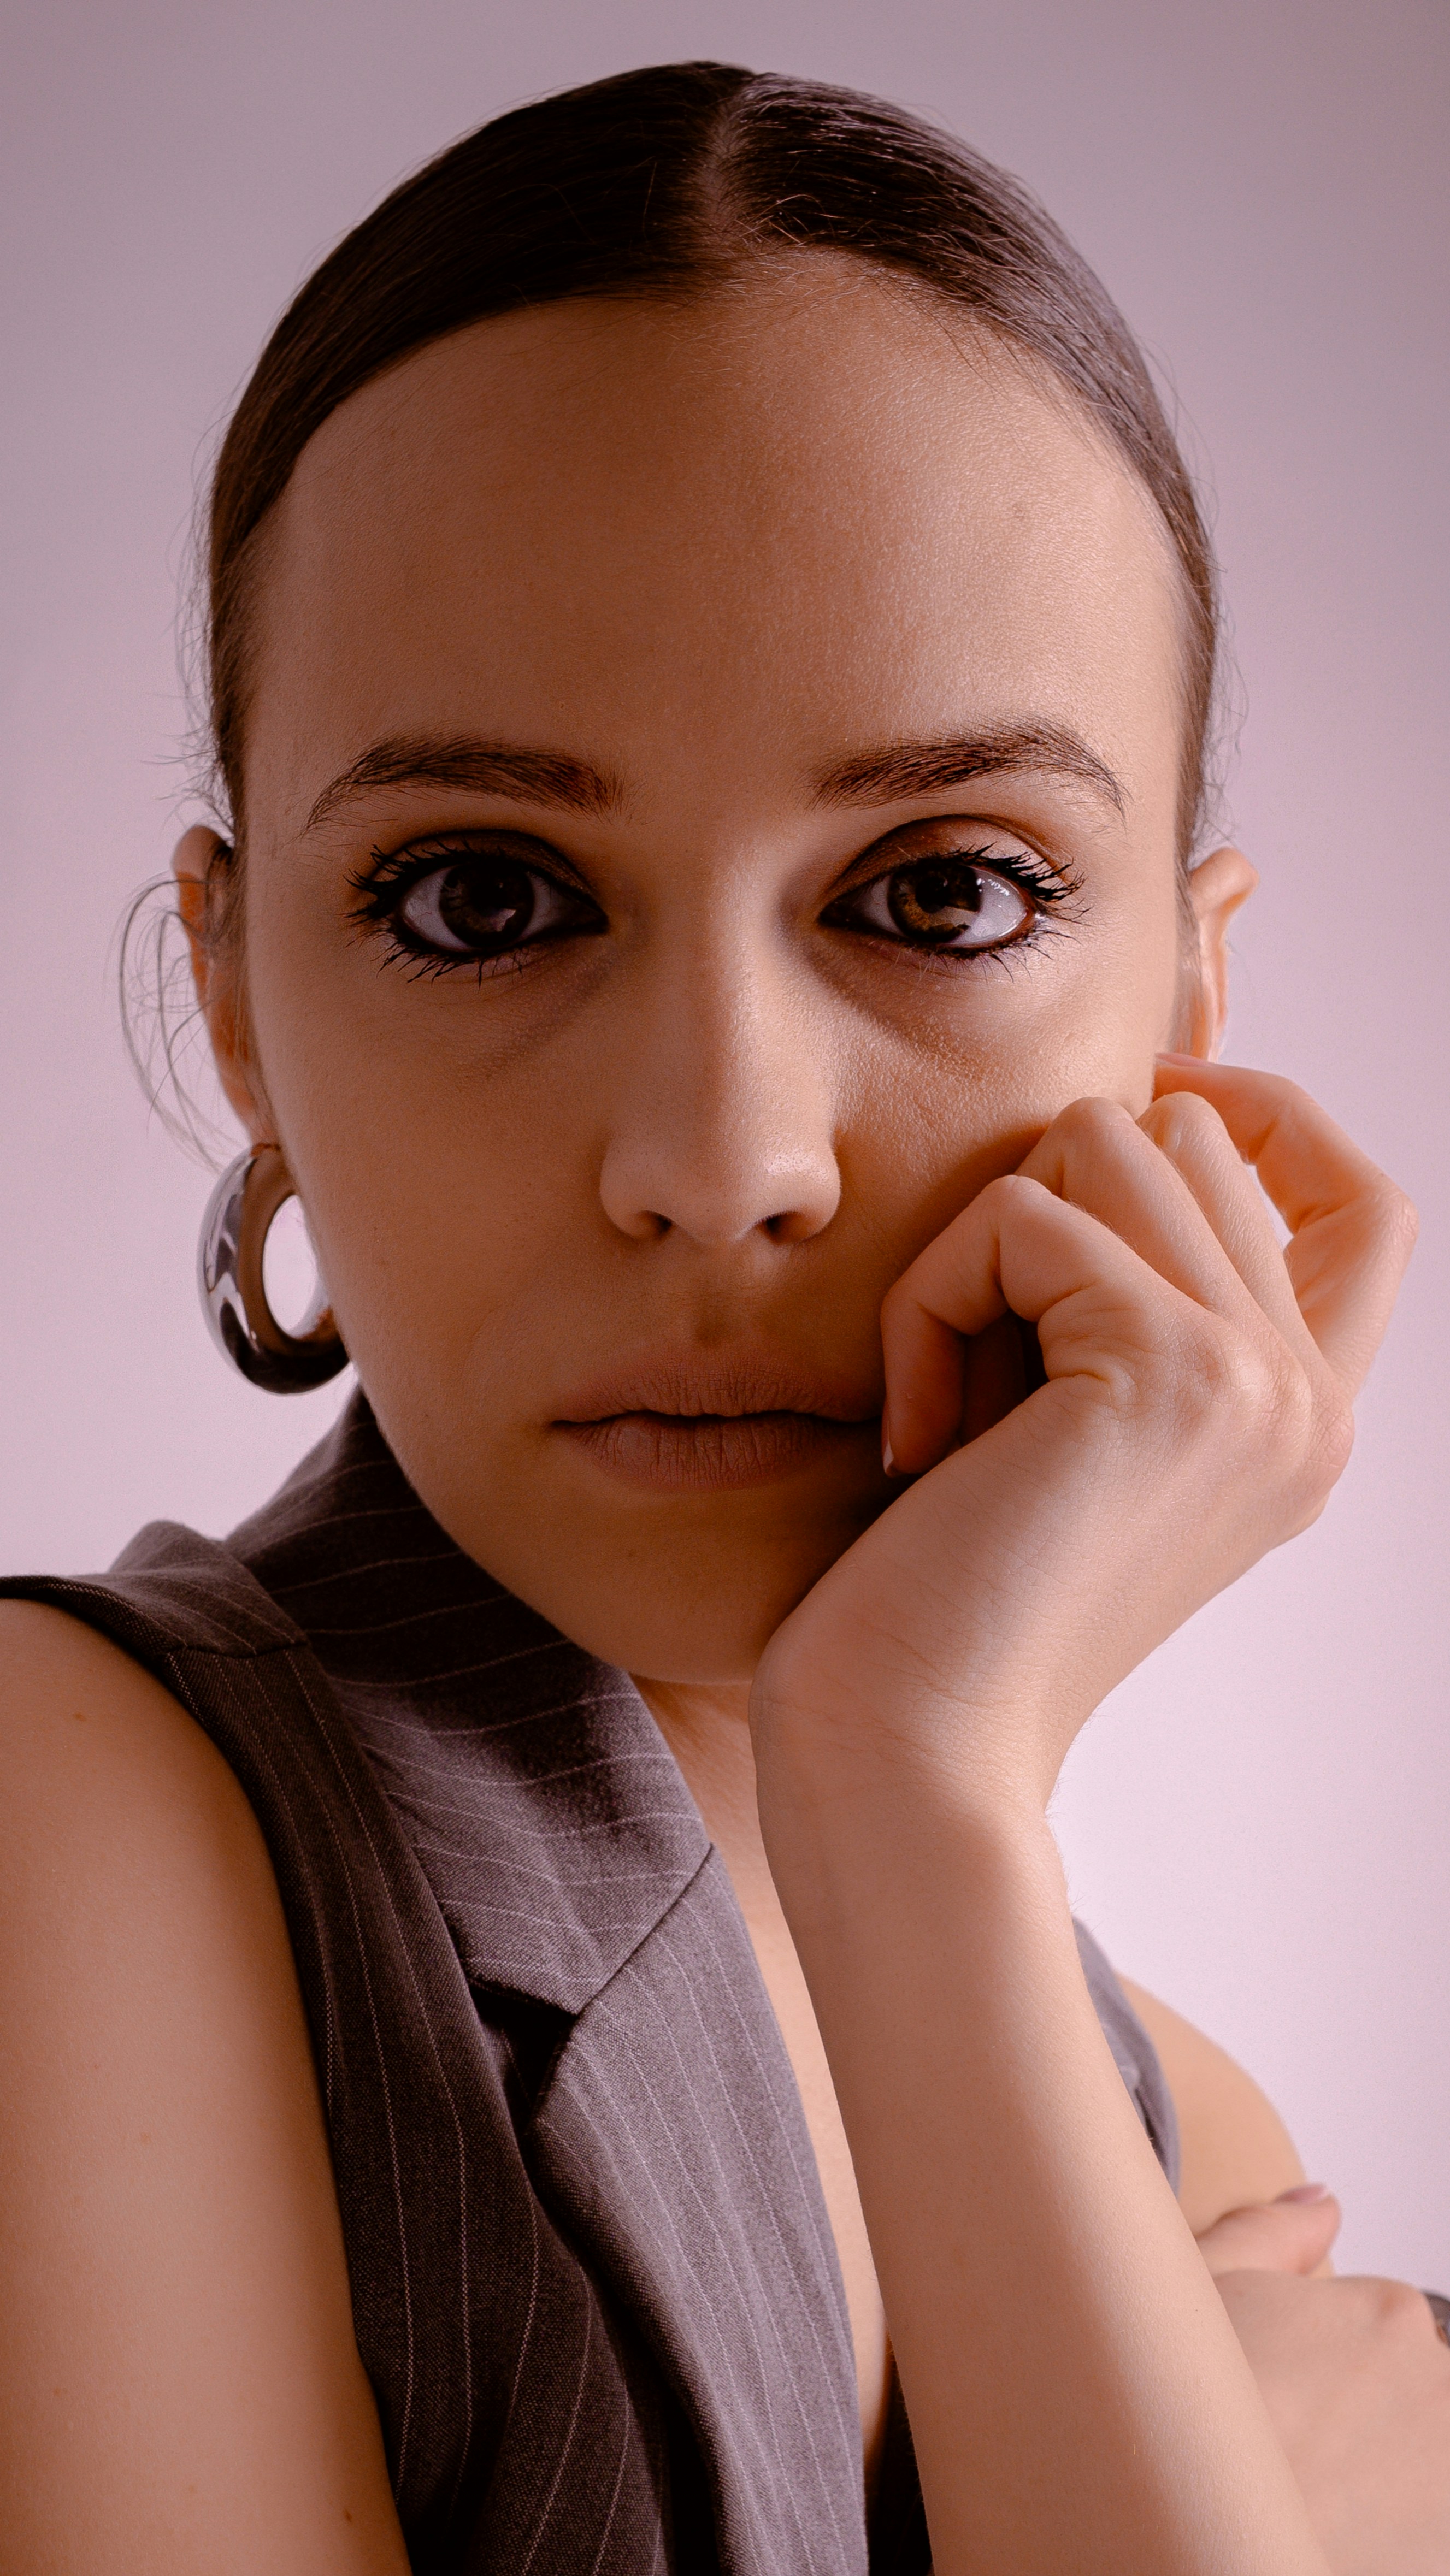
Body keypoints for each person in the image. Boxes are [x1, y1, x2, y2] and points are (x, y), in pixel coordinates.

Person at [0, 58, 1442, 2576]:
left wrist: (907, 1773)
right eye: (482, 899)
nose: (719, 1159)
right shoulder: (70, 1833)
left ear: (1181, 1017)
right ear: (235, 996)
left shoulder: (1171, 2124)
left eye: (945, 893)